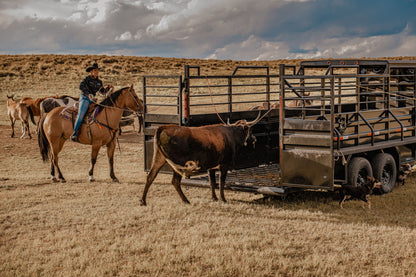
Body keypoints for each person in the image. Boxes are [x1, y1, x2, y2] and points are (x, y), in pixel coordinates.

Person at [70, 62, 114, 142]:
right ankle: (75, 133)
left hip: (92, 100)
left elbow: (103, 92)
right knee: (81, 114)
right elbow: (81, 87)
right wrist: (88, 94)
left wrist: (108, 88)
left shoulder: (99, 82)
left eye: (97, 70)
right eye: (95, 70)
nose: (96, 72)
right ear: (91, 71)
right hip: (85, 98)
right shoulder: (87, 79)